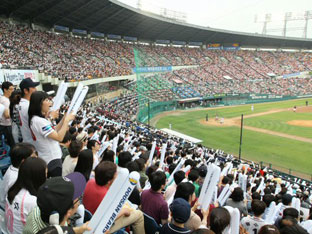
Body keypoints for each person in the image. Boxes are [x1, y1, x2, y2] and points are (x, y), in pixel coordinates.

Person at [82, 161, 145, 234]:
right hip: (100, 227)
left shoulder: (90, 182)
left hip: (89, 220)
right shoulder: (106, 196)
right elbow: (109, 217)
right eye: (116, 174)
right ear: (109, 181)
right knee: (139, 215)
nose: (117, 175)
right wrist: (124, 211)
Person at [23, 173, 89, 234]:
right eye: (78, 199)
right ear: (69, 212)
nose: (78, 202)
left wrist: (77, 230)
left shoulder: (38, 210)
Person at [28, 91, 75, 177]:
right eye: (47, 100)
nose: (50, 103)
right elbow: (59, 137)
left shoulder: (37, 119)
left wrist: (64, 118)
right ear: (39, 103)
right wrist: (67, 121)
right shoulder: (39, 121)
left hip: (49, 157)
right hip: (52, 159)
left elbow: (54, 131)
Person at [5, 157, 47, 234]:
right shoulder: (32, 201)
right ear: (38, 177)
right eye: (45, 174)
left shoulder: (14, 189)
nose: (46, 177)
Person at [0, 142, 37, 209]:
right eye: (33, 157)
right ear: (23, 161)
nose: (36, 158)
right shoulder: (14, 179)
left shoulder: (15, 167)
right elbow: (16, 204)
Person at [18, 78, 40, 144]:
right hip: (33, 142)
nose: (36, 89)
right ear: (26, 91)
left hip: (27, 139)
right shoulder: (28, 106)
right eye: (33, 87)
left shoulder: (21, 103)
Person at [0, 81, 15, 148]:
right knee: (12, 144)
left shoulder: (1, 98)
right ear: (5, 90)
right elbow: (7, 115)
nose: (12, 91)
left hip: (2, 125)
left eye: (13, 89)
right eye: (11, 89)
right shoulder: (6, 101)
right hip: (6, 126)